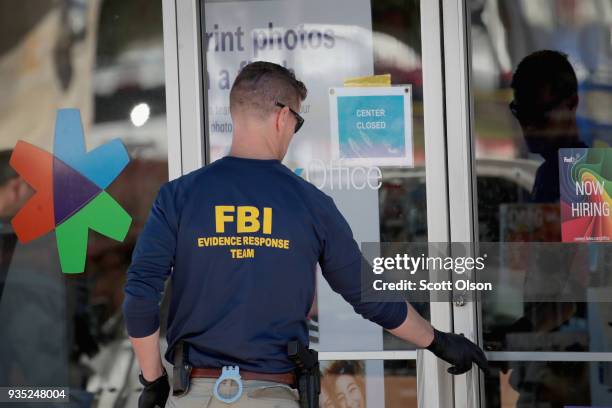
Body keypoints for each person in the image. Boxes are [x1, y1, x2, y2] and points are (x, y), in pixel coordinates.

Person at [123, 61, 488, 408]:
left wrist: (154, 379)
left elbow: (141, 293)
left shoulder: (178, 197)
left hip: (194, 395)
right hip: (271, 394)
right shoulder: (310, 203)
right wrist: (438, 341)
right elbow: (366, 294)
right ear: (283, 116)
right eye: (297, 123)